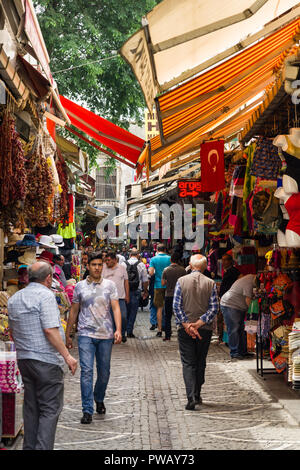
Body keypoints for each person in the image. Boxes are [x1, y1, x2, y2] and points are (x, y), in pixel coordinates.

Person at [8, 261, 78, 450]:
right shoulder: (45, 296)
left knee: (31, 409)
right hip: (46, 361)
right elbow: (50, 330)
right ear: (48, 279)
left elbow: (12, 331)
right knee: (49, 409)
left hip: (25, 360)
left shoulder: (15, 298)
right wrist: (67, 356)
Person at [65, 253, 122, 424]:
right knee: (87, 372)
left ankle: (99, 397)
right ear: (88, 266)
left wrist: (118, 329)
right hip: (85, 335)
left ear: (102, 266)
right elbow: (74, 311)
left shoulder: (110, 286)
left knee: (104, 372)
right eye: (94, 264)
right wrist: (68, 334)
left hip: (105, 335)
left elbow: (116, 308)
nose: (97, 267)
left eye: (99, 264)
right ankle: (87, 409)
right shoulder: (80, 287)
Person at [173, 254, 219, 410]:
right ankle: (197, 393)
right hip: (204, 330)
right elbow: (214, 308)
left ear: (191, 266)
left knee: (188, 363)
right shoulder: (211, 283)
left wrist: (187, 325)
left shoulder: (181, 281)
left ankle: (191, 396)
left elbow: (176, 306)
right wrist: (199, 324)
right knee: (200, 361)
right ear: (205, 267)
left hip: (185, 330)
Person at [220, 274, 255, 360]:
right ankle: (234, 352)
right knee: (234, 329)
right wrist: (251, 312)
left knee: (241, 329)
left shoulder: (250, 279)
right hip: (230, 305)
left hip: (237, 306)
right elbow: (248, 300)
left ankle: (242, 351)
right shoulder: (249, 282)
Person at [102, 251, 129, 343]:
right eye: (106, 260)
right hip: (107, 298)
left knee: (124, 317)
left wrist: (127, 295)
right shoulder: (103, 268)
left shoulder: (122, 268)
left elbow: (126, 282)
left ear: (114, 260)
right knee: (110, 317)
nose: (107, 262)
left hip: (120, 297)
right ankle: (114, 335)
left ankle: (122, 332)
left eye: (109, 260)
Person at [161, 252, 186, 341]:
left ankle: (168, 335)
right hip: (180, 295)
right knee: (180, 315)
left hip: (169, 294)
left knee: (167, 316)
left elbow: (163, 283)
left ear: (171, 260)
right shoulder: (183, 270)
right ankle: (182, 334)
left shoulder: (166, 270)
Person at [217, 254, 242, 343]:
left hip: (230, 300)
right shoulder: (228, 271)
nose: (223, 262)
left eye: (226, 260)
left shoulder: (232, 272)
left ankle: (226, 339)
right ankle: (222, 338)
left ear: (230, 261)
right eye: (223, 260)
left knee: (227, 320)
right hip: (226, 299)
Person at [125, 248, 149, 338]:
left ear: (130, 255)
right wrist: (145, 291)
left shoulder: (123, 264)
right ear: (138, 256)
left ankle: (123, 330)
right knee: (133, 312)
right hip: (136, 291)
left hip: (125, 291)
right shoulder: (141, 265)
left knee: (125, 311)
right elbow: (145, 280)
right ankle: (129, 331)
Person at [149, 244, 171, 337]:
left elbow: (151, 272)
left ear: (157, 250)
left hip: (158, 286)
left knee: (159, 308)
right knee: (168, 308)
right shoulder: (169, 258)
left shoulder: (153, 259)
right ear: (165, 249)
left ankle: (159, 330)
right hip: (169, 286)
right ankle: (168, 328)